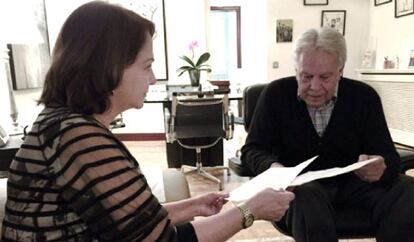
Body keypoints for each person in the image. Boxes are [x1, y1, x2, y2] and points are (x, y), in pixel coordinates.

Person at [1, 1, 295, 241]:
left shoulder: (63, 124)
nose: (153, 78)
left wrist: (192, 205)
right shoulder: (78, 138)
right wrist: (249, 211)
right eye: (147, 66)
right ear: (111, 67)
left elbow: (125, 219)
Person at [241, 27, 414, 242]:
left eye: (325, 77)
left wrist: (380, 165)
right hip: (300, 190)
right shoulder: (276, 95)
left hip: (354, 186)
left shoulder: (364, 97)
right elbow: (252, 150)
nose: (314, 86)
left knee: (408, 189)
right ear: (296, 70)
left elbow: (389, 156)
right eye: (305, 76)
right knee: (308, 195)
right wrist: (274, 168)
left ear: (340, 70)